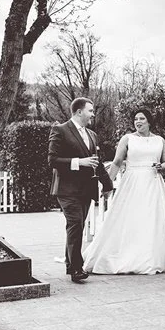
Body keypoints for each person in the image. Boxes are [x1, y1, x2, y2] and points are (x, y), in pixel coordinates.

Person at [83, 108, 165, 275]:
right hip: (132, 183)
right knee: (130, 216)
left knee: (152, 218)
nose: (138, 122)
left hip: (153, 183)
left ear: (149, 122)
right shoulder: (127, 139)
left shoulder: (160, 140)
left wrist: (162, 166)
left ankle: (151, 255)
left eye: (142, 119)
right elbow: (117, 162)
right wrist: (107, 184)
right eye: (136, 119)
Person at [48, 97, 113, 282]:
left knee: (77, 227)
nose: (93, 114)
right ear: (79, 112)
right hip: (66, 190)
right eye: (90, 110)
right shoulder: (60, 130)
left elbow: (96, 162)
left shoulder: (92, 135)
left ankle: (70, 265)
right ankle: (77, 269)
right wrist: (79, 162)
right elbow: (52, 160)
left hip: (86, 190)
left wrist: (107, 184)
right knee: (75, 224)